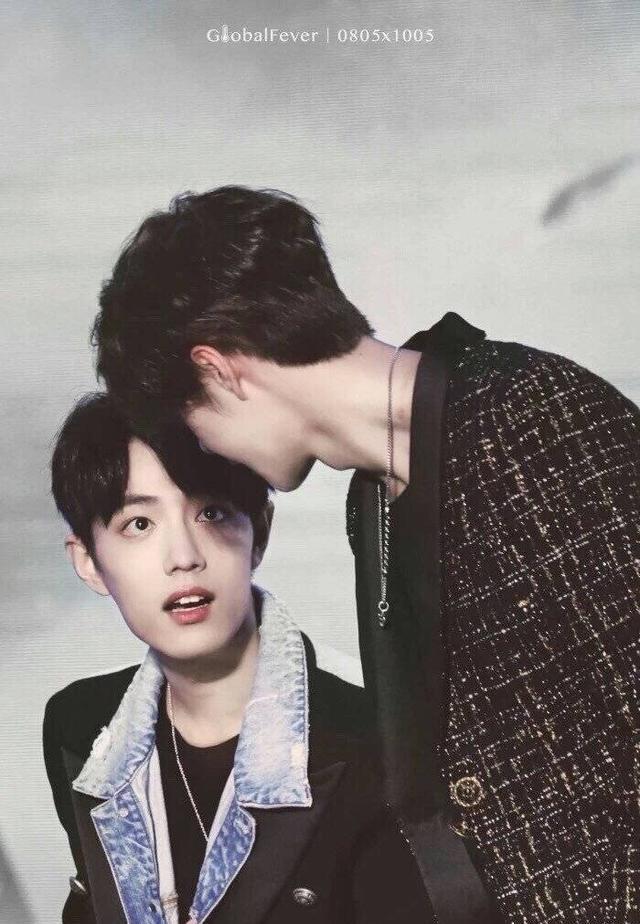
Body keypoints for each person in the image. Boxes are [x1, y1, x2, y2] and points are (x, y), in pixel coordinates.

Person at [92, 186, 640, 923]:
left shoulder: (527, 416)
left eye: (191, 425)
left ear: (219, 369)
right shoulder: (375, 497)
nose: (209, 452)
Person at [44, 393, 432, 924]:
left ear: (259, 533)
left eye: (211, 513)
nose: (184, 557)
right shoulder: (79, 727)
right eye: (139, 524)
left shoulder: (375, 742)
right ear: (88, 562)